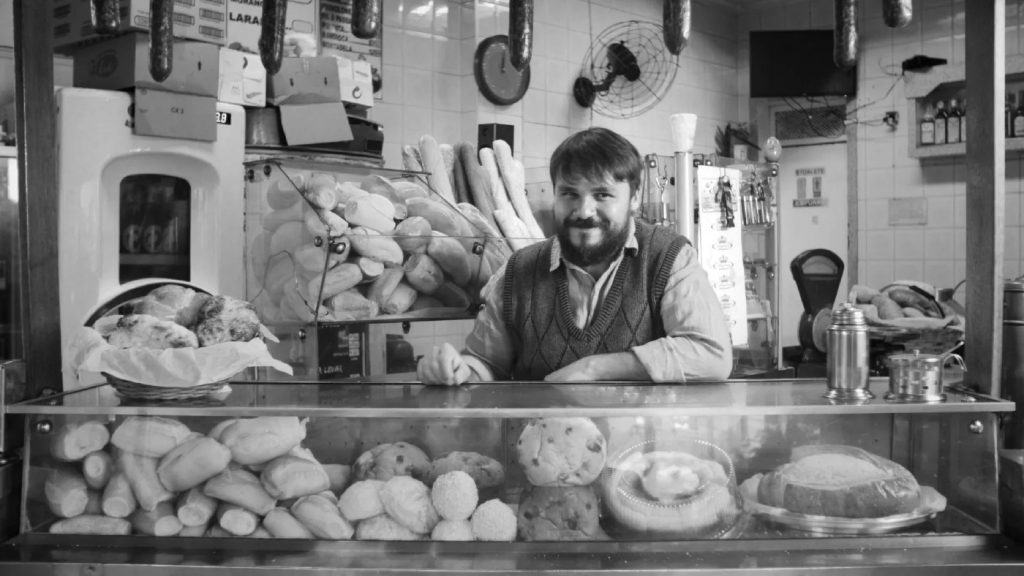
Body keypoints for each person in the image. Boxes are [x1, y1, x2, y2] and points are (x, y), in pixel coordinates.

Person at [417, 127, 732, 385]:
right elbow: (485, 364)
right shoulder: (520, 270)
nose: (584, 211)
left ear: (634, 198)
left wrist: (596, 368)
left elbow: (711, 353)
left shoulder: (668, 258)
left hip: (641, 455)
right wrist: (455, 370)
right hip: (542, 453)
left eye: (602, 194)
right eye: (569, 194)